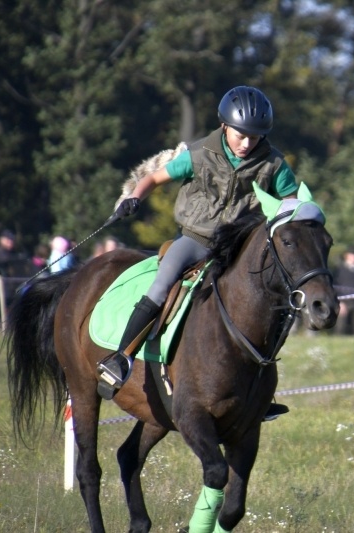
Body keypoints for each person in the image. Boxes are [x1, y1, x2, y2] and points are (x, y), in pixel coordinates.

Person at [97, 86, 299, 415]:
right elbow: (155, 178)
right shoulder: (199, 154)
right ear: (224, 125)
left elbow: (291, 202)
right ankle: (120, 358)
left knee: (272, 303)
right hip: (195, 241)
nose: (247, 143)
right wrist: (135, 196)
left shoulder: (274, 163)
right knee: (161, 286)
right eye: (241, 135)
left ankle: (259, 391)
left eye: (255, 137)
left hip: (238, 249)